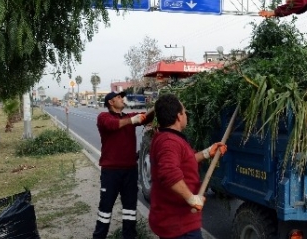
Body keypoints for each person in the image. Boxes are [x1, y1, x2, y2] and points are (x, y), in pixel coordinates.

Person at [148, 93, 228, 239]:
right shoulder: (169, 142)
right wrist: (191, 198)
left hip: (176, 221)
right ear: (179, 116)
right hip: (178, 226)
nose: (186, 115)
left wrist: (207, 152)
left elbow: (184, 160)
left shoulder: (166, 137)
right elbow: (169, 173)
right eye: (184, 112)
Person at [92, 91, 155, 239]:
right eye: (118, 97)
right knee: (105, 209)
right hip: (111, 173)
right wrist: (132, 120)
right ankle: (99, 236)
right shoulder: (103, 117)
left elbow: (147, 117)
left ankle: (129, 236)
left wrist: (157, 107)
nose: (122, 99)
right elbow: (113, 125)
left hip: (130, 172)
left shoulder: (128, 117)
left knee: (130, 209)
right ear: (111, 103)